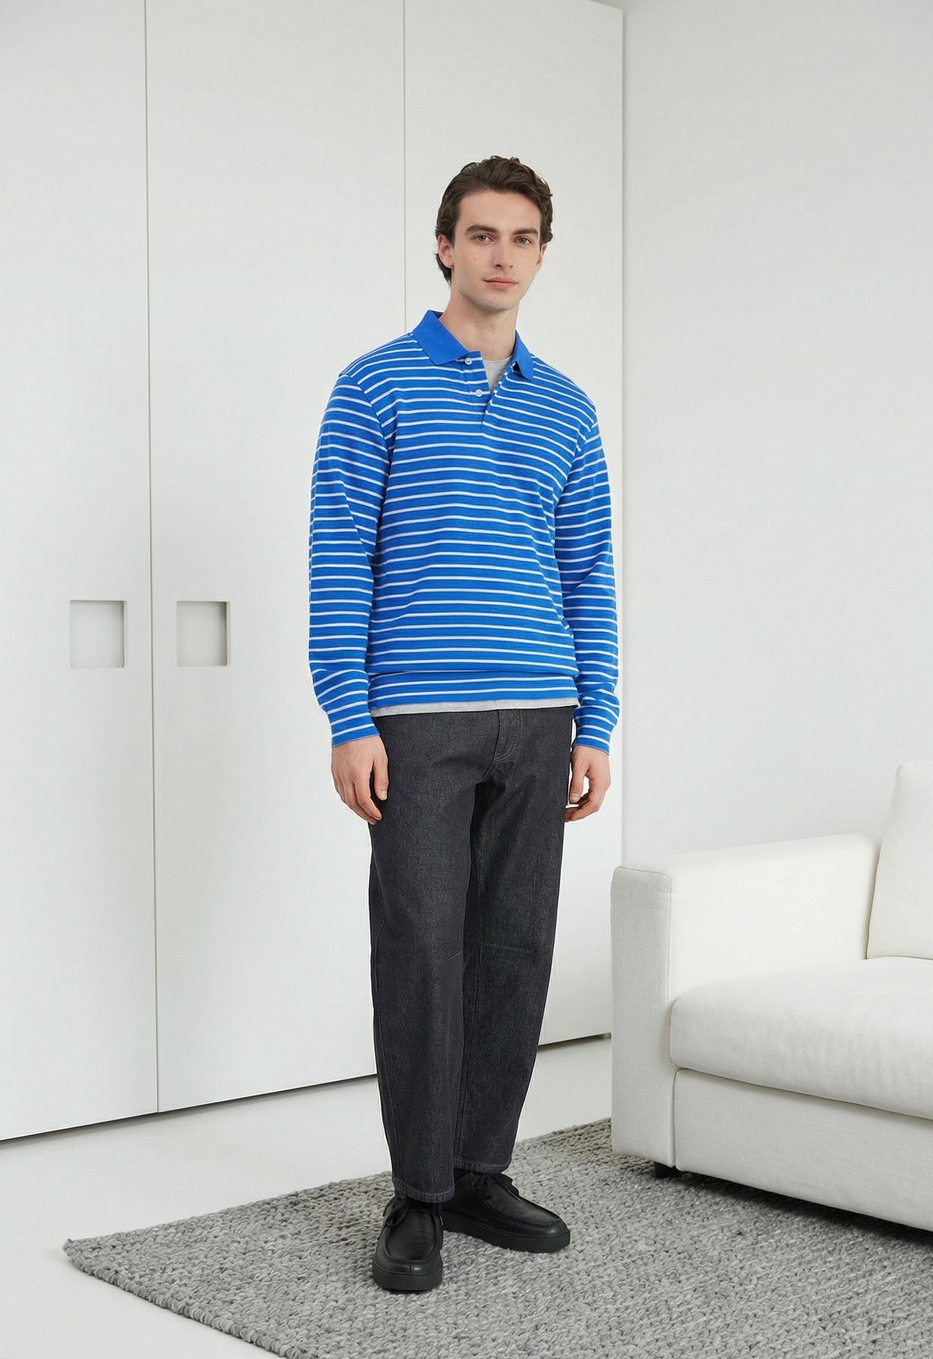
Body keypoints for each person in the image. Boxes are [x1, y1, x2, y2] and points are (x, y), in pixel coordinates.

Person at [308, 155, 619, 1292]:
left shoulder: (568, 406)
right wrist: (349, 714)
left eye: (522, 237)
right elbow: (340, 556)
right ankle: (419, 1193)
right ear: (444, 246)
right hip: (417, 721)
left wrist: (597, 721)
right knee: (422, 950)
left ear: (541, 254)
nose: (501, 255)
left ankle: (481, 1170)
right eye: (481, 234)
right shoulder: (375, 385)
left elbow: (587, 571)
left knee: (514, 950)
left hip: (541, 717)